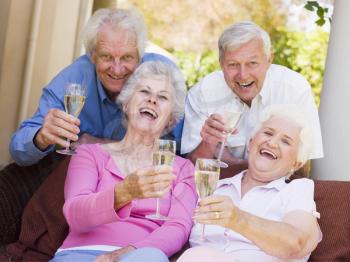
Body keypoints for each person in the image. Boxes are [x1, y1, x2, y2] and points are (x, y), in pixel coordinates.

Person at [0, 8, 183, 247]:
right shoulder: (74, 79)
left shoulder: (159, 77)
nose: (117, 69)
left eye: (127, 58)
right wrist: (41, 137)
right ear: (92, 56)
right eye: (107, 57)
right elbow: (18, 148)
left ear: (140, 56)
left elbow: (178, 149)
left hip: (134, 177)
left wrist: (100, 144)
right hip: (68, 173)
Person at [48, 60, 196, 262]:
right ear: (126, 104)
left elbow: (178, 227)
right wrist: (124, 192)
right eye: (144, 92)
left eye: (162, 97)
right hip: (79, 254)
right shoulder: (90, 154)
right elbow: (75, 216)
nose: (152, 100)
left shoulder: (183, 169)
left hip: (141, 255)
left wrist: (125, 253)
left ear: (171, 119)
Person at [178, 104, 322, 262]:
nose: (272, 143)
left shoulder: (297, 190)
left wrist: (238, 219)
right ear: (251, 142)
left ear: (297, 163)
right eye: (268, 133)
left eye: (286, 142)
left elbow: (296, 243)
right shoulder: (214, 186)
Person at [181, 21, 323, 178]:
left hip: (277, 191)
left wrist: (236, 165)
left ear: (269, 60)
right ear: (221, 64)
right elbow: (190, 168)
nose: (243, 75)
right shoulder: (202, 93)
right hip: (220, 189)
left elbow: (302, 167)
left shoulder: (294, 90)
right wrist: (208, 143)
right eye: (233, 64)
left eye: (252, 63)